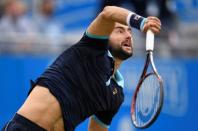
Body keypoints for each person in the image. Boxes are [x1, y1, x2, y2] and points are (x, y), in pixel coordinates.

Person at [3, 6, 161, 131]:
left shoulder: (116, 95)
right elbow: (108, 13)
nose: (128, 36)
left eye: (130, 32)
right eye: (119, 31)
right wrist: (140, 22)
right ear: (105, 36)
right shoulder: (90, 49)